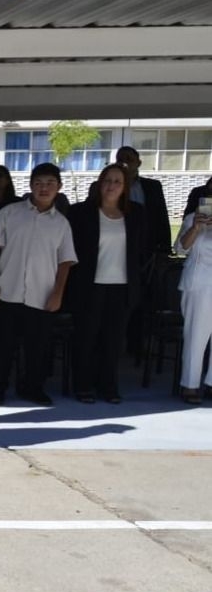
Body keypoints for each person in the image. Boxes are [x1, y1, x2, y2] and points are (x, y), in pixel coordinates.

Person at [0, 163, 77, 406]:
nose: (44, 188)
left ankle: (32, 388)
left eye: (50, 183)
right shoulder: (10, 213)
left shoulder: (61, 224)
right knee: (3, 346)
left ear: (59, 187)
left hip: (42, 293)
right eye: (38, 183)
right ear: (30, 186)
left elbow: (65, 262)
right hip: (7, 291)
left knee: (37, 348)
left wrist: (58, 294)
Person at [64, 163, 148, 405]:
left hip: (121, 287)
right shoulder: (81, 212)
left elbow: (141, 251)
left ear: (125, 187)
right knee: (86, 339)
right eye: (107, 180)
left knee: (113, 341)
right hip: (89, 286)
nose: (111, 186)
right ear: (100, 183)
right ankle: (83, 386)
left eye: (117, 182)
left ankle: (108, 386)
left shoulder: (137, 214)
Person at [175, 195, 212, 402]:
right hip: (198, 283)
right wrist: (196, 228)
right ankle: (189, 385)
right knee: (196, 336)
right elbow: (180, 249)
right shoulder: (193, 218)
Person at [115, 146, 171, 256]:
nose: (125, 163)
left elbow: (161, 216)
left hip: (148, 243)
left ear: (138, 163)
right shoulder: (111, 187)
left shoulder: (153, 186)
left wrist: (165, 247)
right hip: (119, 243)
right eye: (120, 160)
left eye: (129, 159)